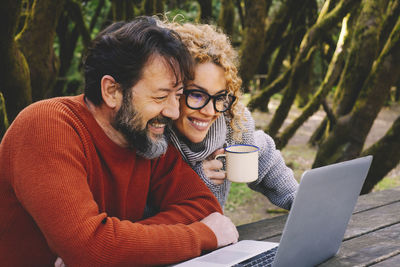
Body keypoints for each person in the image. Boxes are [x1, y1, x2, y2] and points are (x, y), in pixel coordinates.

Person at [0, 17, 238, 266]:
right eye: (160, 96)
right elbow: (93, 250)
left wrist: (115, 244)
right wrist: (203, 235)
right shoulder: (46, 126)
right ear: (112, 91)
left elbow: (202, 205)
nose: (173, 112)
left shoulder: (146, 136)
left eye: (177, 96)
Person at [165, 21, 299, 209]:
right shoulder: (154, 138)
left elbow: (264, 154)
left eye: (219, 97)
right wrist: (195, 183)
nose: (210, 111)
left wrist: (300, 200)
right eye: (196, 94)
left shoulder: (231, 122)